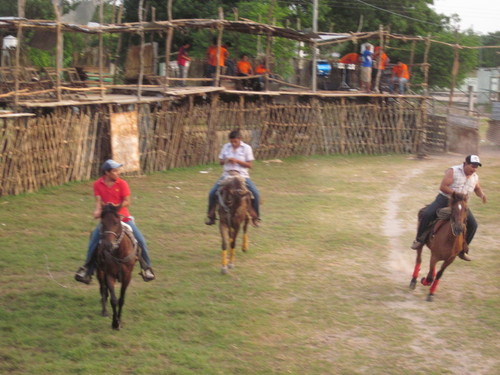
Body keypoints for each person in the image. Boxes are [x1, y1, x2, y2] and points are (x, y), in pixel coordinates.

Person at [75, 159, 155, 284]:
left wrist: (117, 205)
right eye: (115, 171)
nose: (118, 173)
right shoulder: (97, 184)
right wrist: (98, 210)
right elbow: (98, 201)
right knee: (94, 241)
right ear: (107, 173)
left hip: (123, 218)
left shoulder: (122, 184)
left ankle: (146, 267)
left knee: (141, 240)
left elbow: (127, 201)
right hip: (107, 220)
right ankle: (88, 270)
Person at [411, 155, 487, 261]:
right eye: (472, 166)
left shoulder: (475, 177)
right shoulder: (453, 171)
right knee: (427, 214)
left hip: (460, 205)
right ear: (465, 164)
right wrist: (455, 194)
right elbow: (443, 187)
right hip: (444, 199)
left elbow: (477, 188)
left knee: (473, 225)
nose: (474, 169)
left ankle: (462, 249)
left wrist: (482, 195)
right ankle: (419, 240)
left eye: (476, 167)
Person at [205, 129, 260, 227]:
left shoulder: (246, 148)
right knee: (212, 193)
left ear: (240, 139)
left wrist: (237, 161)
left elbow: (249, 165)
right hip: (227, 175)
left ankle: (255, 217)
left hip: (242, 176)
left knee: (256, 193)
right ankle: (211, 215)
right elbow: (221, 162)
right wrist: (227, 160)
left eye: (235, 141)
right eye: (231, 142)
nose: (233, 144)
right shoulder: (226, 147)